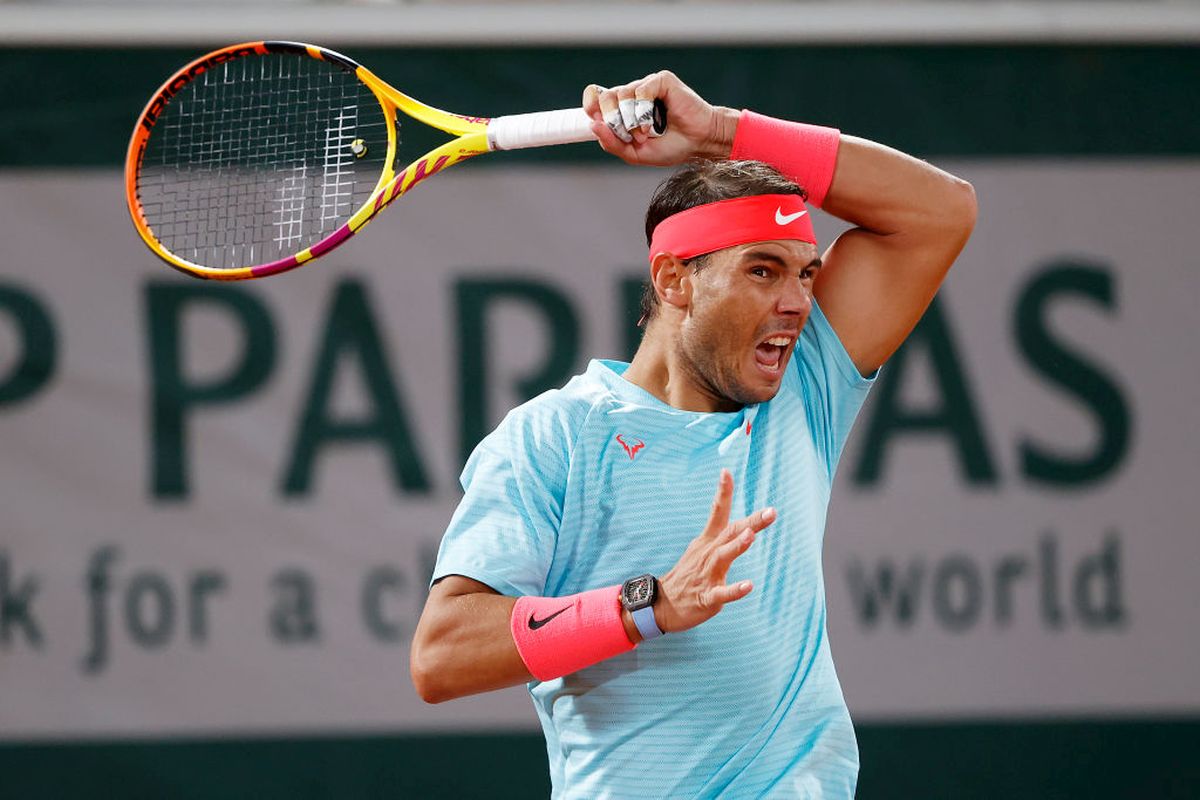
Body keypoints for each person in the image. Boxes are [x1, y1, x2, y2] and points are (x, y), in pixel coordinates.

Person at [411, 71, 976, 798]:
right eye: (763, 271)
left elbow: (943, 212)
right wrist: (643, 607)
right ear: (675, 281)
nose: (797, 303)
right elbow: (442, 654)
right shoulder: (554, 437)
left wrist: (717, 131)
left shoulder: (805, 387)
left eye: (807, 275)